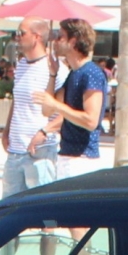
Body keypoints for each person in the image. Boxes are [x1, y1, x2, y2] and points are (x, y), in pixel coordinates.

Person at [36, 20, 109, 178]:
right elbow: (47, 109)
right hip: (67, 156)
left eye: (60, 37)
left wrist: (56, 105)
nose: (55, 41)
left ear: (73, 41)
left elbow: (91, 121)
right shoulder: (74, 74)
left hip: (82, 159)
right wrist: (52, 73)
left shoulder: (91, 73)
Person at [4, 16, 61, 197]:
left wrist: (44, 132)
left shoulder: (54, 69)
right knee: (8, 211)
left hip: (40, 152)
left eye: (22, 33)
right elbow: (17, 101)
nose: (17, 37)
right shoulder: (21, 65)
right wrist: (6, 131)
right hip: (15, 151)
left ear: (36, 37)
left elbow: (65, 112)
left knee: (43, 213)